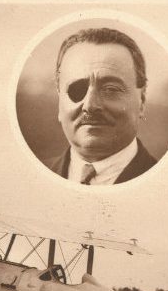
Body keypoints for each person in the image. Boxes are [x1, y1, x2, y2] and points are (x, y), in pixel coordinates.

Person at [45, 27, 156, 185]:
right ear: (60, 102)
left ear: (142, 101)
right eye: (77, 90)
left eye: (110, 89)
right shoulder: (31, 180)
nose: (90, 106)